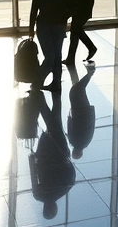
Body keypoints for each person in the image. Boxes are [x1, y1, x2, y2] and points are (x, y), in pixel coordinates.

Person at [29, 89, 76, 220]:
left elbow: (71, 170)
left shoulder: (66, 188)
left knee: (54, 122)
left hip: (59, 149)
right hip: (44, 152)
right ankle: (48, 93)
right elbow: (33, 172)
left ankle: (40, 95)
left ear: (55, 208)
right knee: (53, 122)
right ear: (45, 208)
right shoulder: (38, 195)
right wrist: (36, 157)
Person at [29, 0, 74, 91]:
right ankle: (56, 82)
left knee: (49, 56)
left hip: (44, 25)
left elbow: (34, 10)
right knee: (57, 55)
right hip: (59, 26)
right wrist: (63, 17)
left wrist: (31, 29)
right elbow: (72, 8)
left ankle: (37, 82)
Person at [64, 0, 97, 65]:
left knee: (74, 33)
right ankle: (91, 48)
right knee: (77, 32)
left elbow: (74, 1)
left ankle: (71, 58)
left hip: (79, 13)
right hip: (84, 13)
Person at [67, 63, 96, 160]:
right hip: (78, 112)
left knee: (78, 90)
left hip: (86, 112)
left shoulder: (87, 142)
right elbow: (70, 126)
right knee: (75, 91)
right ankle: (90, 73)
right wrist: (69, 116)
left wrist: (91, 112)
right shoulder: (73, 141)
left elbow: (91, 127)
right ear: (74, 152)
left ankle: (88, 74)